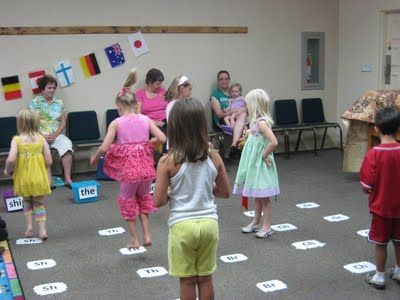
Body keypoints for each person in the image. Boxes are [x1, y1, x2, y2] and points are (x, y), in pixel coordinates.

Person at [153, 98, 230, 300]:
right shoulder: (214, 155)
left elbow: (158, 201)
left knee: (187, 280)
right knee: (205, 278)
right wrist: (204, 188)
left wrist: (172, 192)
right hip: (209, 224)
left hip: (182, 226)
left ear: (174, 127)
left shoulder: (167, 161)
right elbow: (224, 192)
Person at [90, 69, 166, 249]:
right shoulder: (145, 119)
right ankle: (147, 235)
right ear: (134, 104)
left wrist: (95, 158)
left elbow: (105, 147)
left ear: (119, 106)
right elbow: (162, 139)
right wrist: (147, 143)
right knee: (143, 198)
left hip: (129, 171)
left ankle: (134, 240)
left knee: (127, 199)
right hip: (146, 168)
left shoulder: (116, 122)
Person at [360, 107, 400, 290]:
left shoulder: (374, 154)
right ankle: (399, 271)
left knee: (380, 242)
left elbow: (366, 186)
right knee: (399, 240)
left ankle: (379, 276)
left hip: (381, 208)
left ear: (376, 128)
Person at [233, 89, 280, 238]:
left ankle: (267, 226)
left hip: (259, 164)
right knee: (257, 195)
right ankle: (256, 221)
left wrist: (264, 155)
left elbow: (273, 142)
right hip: (253, 164)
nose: (245, 107)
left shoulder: (262, 123)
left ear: (255, 105)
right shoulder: (255, 121)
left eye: (247, 104)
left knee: (263, 196)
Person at [4, 109, 52, 240]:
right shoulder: (41, 139)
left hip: (23, 178)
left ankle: (29, 227)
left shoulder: (17, 140)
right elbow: (49, 161)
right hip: (38, 177)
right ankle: (42, 230)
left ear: (20, 123)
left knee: (26, 201)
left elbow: (11, 159)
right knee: (39, 203)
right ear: (36, 123)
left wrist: (7, 170)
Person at [29, 75, 73, 188]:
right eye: (49, 88)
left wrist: (55, 134)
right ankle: (48, 181)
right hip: (39, 135)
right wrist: (42, 136)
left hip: (56, 134)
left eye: (54, 88)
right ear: (42, 89)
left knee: (67, 146)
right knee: (42, 149)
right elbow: (31, 123)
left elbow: (63, 123)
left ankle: (68, 179)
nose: (52, 90)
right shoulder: (34, 103)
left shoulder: (59, 103)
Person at [210, 70, 247, 148]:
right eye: (221, 79)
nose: (224, 81)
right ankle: (236, 146)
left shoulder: (234, 91)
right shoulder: (215, 94)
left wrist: (243, 110)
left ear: (229, 80)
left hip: (238, 116)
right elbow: (219, 114)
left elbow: (244, 104)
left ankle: (237, 146)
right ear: (218, 81)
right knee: (242, 120)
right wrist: (233, 111)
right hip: (223, 120)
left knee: (244, 115)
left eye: (226, 79)